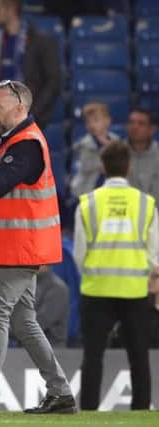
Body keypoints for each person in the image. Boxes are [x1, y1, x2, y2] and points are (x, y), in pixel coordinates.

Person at [0, 80, 76, 414]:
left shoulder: (27, 145)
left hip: (20, 248)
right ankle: (61, 394)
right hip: (16, 246)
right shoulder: (15, 142)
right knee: (23, 322)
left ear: (20, 107)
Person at [73, 141, 156, 411]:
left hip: (96, 290)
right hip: (134, 291)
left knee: (93, 358)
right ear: (129, 167)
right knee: (139, 358)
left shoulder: (87, 204)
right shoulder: (146, 204)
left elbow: (79, 254)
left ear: (102, 167)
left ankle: (88, 411)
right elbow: (155, 254)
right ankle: (141, 411)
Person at [0, 0, 61, 129]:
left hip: (28, 119)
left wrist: (32, 114)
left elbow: (54, 82)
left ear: (12, 9)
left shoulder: (40, 41)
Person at [70, 102, 119, 199]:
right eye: (88, 122)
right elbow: (86, 165)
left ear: (107, 121)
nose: (91, 125)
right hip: (87, 189)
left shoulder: (115, 141)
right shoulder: (84, 144)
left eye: (96, 121)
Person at [124, 108, 159, 204]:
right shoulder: (116, 153)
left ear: (152, 129)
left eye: (141, 123)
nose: (134, 127)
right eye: (131, 122)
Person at [32, 266, 69, 348]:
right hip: (27, 348)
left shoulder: (57, 288)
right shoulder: (29, 284)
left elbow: (42, 321)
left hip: (51, 349)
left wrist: (4, 328)